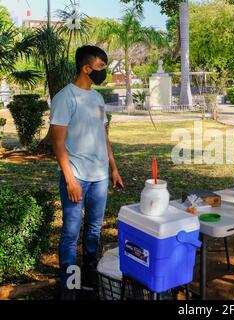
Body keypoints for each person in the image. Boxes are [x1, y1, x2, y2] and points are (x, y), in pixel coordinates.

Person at [50, 45, 124, 300]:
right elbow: (58, 143)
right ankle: (69, 285)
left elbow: (104, 134)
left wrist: (113, 168)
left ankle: (90, 274)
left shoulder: (97, 98)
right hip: (77, 176)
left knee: (93, 229)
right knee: (71, 232)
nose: (104, 71)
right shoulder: (64, 98)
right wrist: (70, 180)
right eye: (101, 67)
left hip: (100, 177)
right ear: (86, 68)